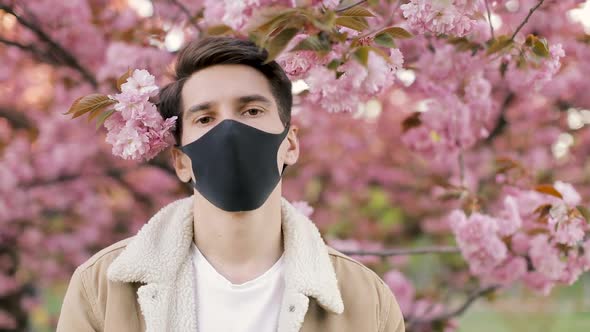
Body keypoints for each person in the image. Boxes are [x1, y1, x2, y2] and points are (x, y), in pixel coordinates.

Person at [57, 36, 405, 332]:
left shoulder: (364, 299)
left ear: (291, 144)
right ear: (181, 161)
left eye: (251, 111)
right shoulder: (102, 288)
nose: (230, 132)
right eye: (205, 118)